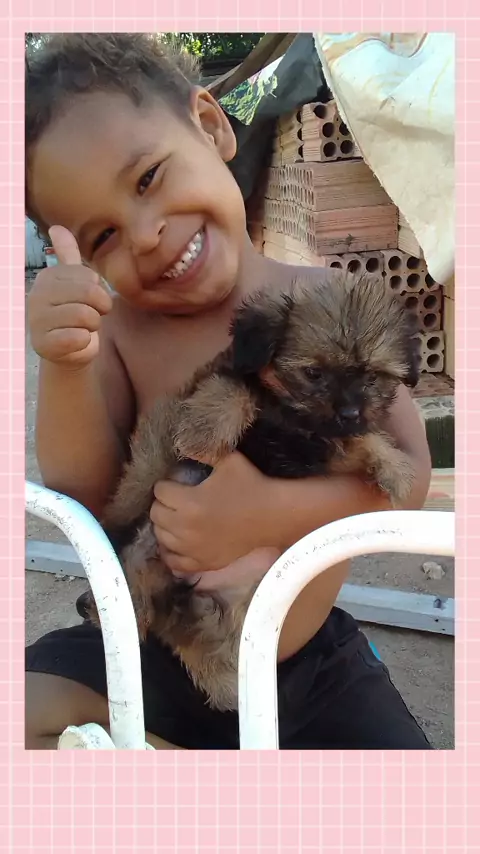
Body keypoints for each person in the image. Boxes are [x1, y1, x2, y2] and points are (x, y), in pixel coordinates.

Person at [25, 34, 433, 750]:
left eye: (148, 178)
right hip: (150, 650)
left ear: (212, 126)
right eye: (103, 236)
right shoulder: (118, 334)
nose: (146, 235)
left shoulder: (332, 301)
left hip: (308, 666)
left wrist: (267, 511)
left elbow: (410, 477)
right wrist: (64, 364)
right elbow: (85, 494)